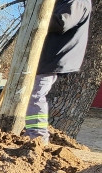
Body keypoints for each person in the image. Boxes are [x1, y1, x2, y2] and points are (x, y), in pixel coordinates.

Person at [25, 0, 91, 144]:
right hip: (49, 57)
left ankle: (38, 137)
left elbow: (62, 23)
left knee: (36, 94)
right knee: (31, 93)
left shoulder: (77, 1)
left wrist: (37, 15)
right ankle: (30, 132)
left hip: (55, 57)